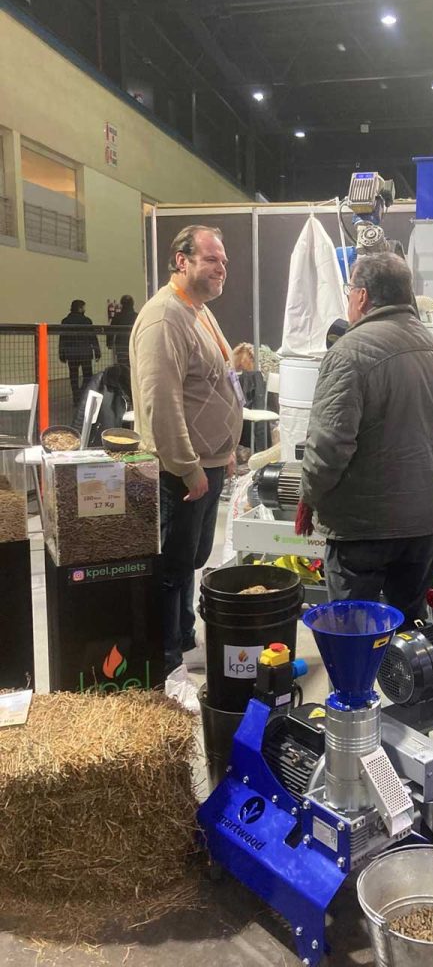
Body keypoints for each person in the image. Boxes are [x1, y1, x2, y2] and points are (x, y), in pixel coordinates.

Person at [298, 251, 433, 627]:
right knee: (409, 636)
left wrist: (309, 496)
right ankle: (405, 687)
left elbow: (329, 445)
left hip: (362, 530)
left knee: (353, 634)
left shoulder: (349, 352)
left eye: (350, 291)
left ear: (362, 296)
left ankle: (357, 687)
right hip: (422, 522)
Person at [130, 225, 243, 675]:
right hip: (180, 470)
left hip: (207, 462)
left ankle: (181, 631)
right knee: (172, 564)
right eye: (212, 259)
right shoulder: (165, 317)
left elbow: (216, 384)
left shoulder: (197, 311)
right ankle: (164, 654)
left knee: (192, 557)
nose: (222, 269)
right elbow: (162, 402)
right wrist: (188, 466)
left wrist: (226, 449)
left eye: (224, 262)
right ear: (182, 261)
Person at [59, 299, 100, 403]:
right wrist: (97, 351)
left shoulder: (65, 321)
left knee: (73, 376)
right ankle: (82, 394)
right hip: (85, 352)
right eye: (84, 307)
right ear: (80, 308)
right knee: (88, 376)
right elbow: (92, 337)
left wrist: (62, 353)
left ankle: (76, 397)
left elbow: (62, 338)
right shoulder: (87, 321)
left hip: (71, 353)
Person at [106, 294, 138, 368]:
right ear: (132, 304)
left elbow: (110, 330)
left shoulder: (117, 317)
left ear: (122, 304)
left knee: (122, 366)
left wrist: (109, 343)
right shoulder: (136, 316)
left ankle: (123, 378)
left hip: (121, 346)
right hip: (134, 345)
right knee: (133, 366)